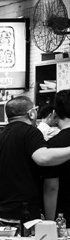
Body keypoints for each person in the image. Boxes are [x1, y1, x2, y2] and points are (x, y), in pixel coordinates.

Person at [0, 95, 70, 222]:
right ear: (31, 114)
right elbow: (43, 158)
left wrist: (7, 181)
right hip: (25, 216)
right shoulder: (30, 132)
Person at [44, 90, 70, 220]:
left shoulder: (53, 144)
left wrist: (49, 222)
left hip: (64, 214)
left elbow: (51, 187)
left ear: (55, 113)